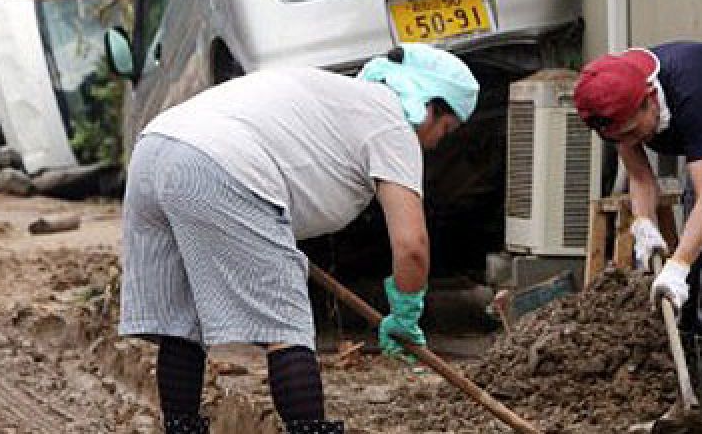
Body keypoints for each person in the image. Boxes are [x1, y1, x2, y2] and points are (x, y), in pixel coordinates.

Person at [118, 43, 480, 434]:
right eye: (446, 128)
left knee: (181, 320)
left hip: (155, 149)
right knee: (285, 327)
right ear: (429, 105)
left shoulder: (338, 97)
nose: (437, 141)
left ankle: (181, 426)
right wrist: (406, 312)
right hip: (220, 163)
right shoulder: (392, 124)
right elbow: (412, 247)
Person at [573, 41, 702, 433]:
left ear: (650, 98)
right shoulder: (612, 106)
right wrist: (643, 224)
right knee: (689, 286)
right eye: (623, 134)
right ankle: (693, 404)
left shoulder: (693, 93)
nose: (635, 137)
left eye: (638, 128)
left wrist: (677, 264)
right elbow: (640, 176)